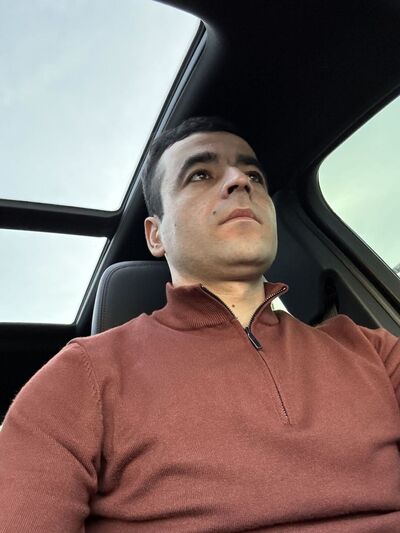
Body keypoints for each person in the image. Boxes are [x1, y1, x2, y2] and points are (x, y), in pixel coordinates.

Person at [1, 116, 400, 532]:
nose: (239, 181)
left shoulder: (371, 349)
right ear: (156, 236)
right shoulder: (82, 376)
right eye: (200, 174)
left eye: (254, 176)